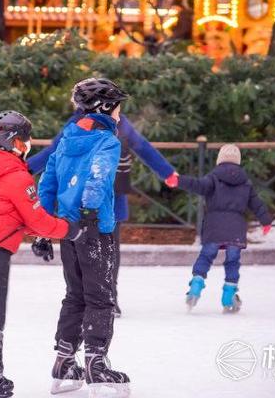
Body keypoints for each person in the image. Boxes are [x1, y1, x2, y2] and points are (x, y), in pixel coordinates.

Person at [0, 110, 86, 398]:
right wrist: (70, 230)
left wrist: (39, 234)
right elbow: (37, 219)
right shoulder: (15, 175)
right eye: (25, 139)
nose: (28, 144)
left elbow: (11, 215)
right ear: (13, 142)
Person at [28, 97, 177, 318]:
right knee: (82, 249)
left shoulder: (115, 124)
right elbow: (54, 153)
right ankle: (80, 295)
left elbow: (143, 148)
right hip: (80, 200)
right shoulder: (77, 125)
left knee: (109, 249)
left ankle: (109, 295)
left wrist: (167, 172)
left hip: (110, 198)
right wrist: (24, 168)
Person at [32, 78, 130, 396]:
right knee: (100, 298)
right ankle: (96, 364)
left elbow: (48, 184)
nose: (120, 114)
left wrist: (43, 229)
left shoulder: (66, 140)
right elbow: (99, 177)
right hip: (95, 229)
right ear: (104, 107)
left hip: (65, 228)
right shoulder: (107, 142)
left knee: (75, 295)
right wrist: (89, 212)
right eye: (117, 108)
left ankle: (63, 361)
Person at [173, 144, 272, 312]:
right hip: (236, 229)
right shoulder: (246, 182)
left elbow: (197, 185)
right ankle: (229, 296)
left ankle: (196, 285)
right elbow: (257, 204)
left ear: (220, 160)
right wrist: (266, 221)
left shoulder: (213, 178)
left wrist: (178, 180)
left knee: (206, 256)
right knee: (233, 261)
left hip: (214, 227)